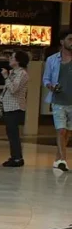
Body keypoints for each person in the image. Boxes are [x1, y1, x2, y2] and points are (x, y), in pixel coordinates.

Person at [43, 29, 72, 172]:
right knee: (61, 130)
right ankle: (63, 160)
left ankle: (57, 158)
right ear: (62, 42)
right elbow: (46, 79)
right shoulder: (52, 60)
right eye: (70, 39)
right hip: (58, 99)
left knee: (68, 131)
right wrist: (51, 86)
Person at [1, 51, 31, 168]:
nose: (10, 59)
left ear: (18, 61)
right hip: (8, 106)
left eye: (12, 57)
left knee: (14, 134)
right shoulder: (13, 73)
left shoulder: (22, 74)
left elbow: (14, 89)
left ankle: (18, 158)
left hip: (16, 107)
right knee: (10, 133)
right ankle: (14, 156)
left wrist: (6, 77)